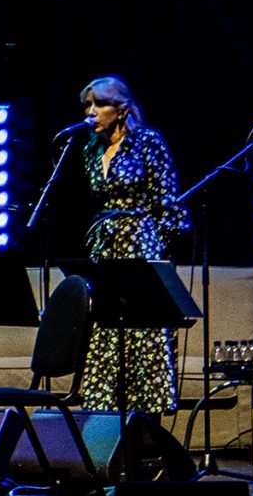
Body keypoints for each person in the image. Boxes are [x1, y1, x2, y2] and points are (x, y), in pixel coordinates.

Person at [75, 76, 188, 414]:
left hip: (141, 250)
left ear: (121, 109)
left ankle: (147, 433)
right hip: (105, 251)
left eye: (99, 104)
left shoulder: (147, 143)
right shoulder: (90, 149)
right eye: (87, 105)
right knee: (106, 337)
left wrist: (153, 250)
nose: (91, 112)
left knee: (143, 338)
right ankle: (108, 429)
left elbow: (170, 207)